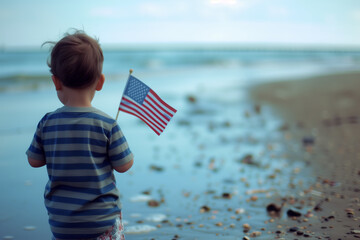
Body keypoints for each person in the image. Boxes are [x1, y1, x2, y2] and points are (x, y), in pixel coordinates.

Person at [26, 30, 134, 240]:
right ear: (100, 82)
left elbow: (33, 161)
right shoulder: (107, 125)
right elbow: (124, 165)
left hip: (62, 224)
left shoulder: (47, 123)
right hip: (102, 222)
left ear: (56, 82)